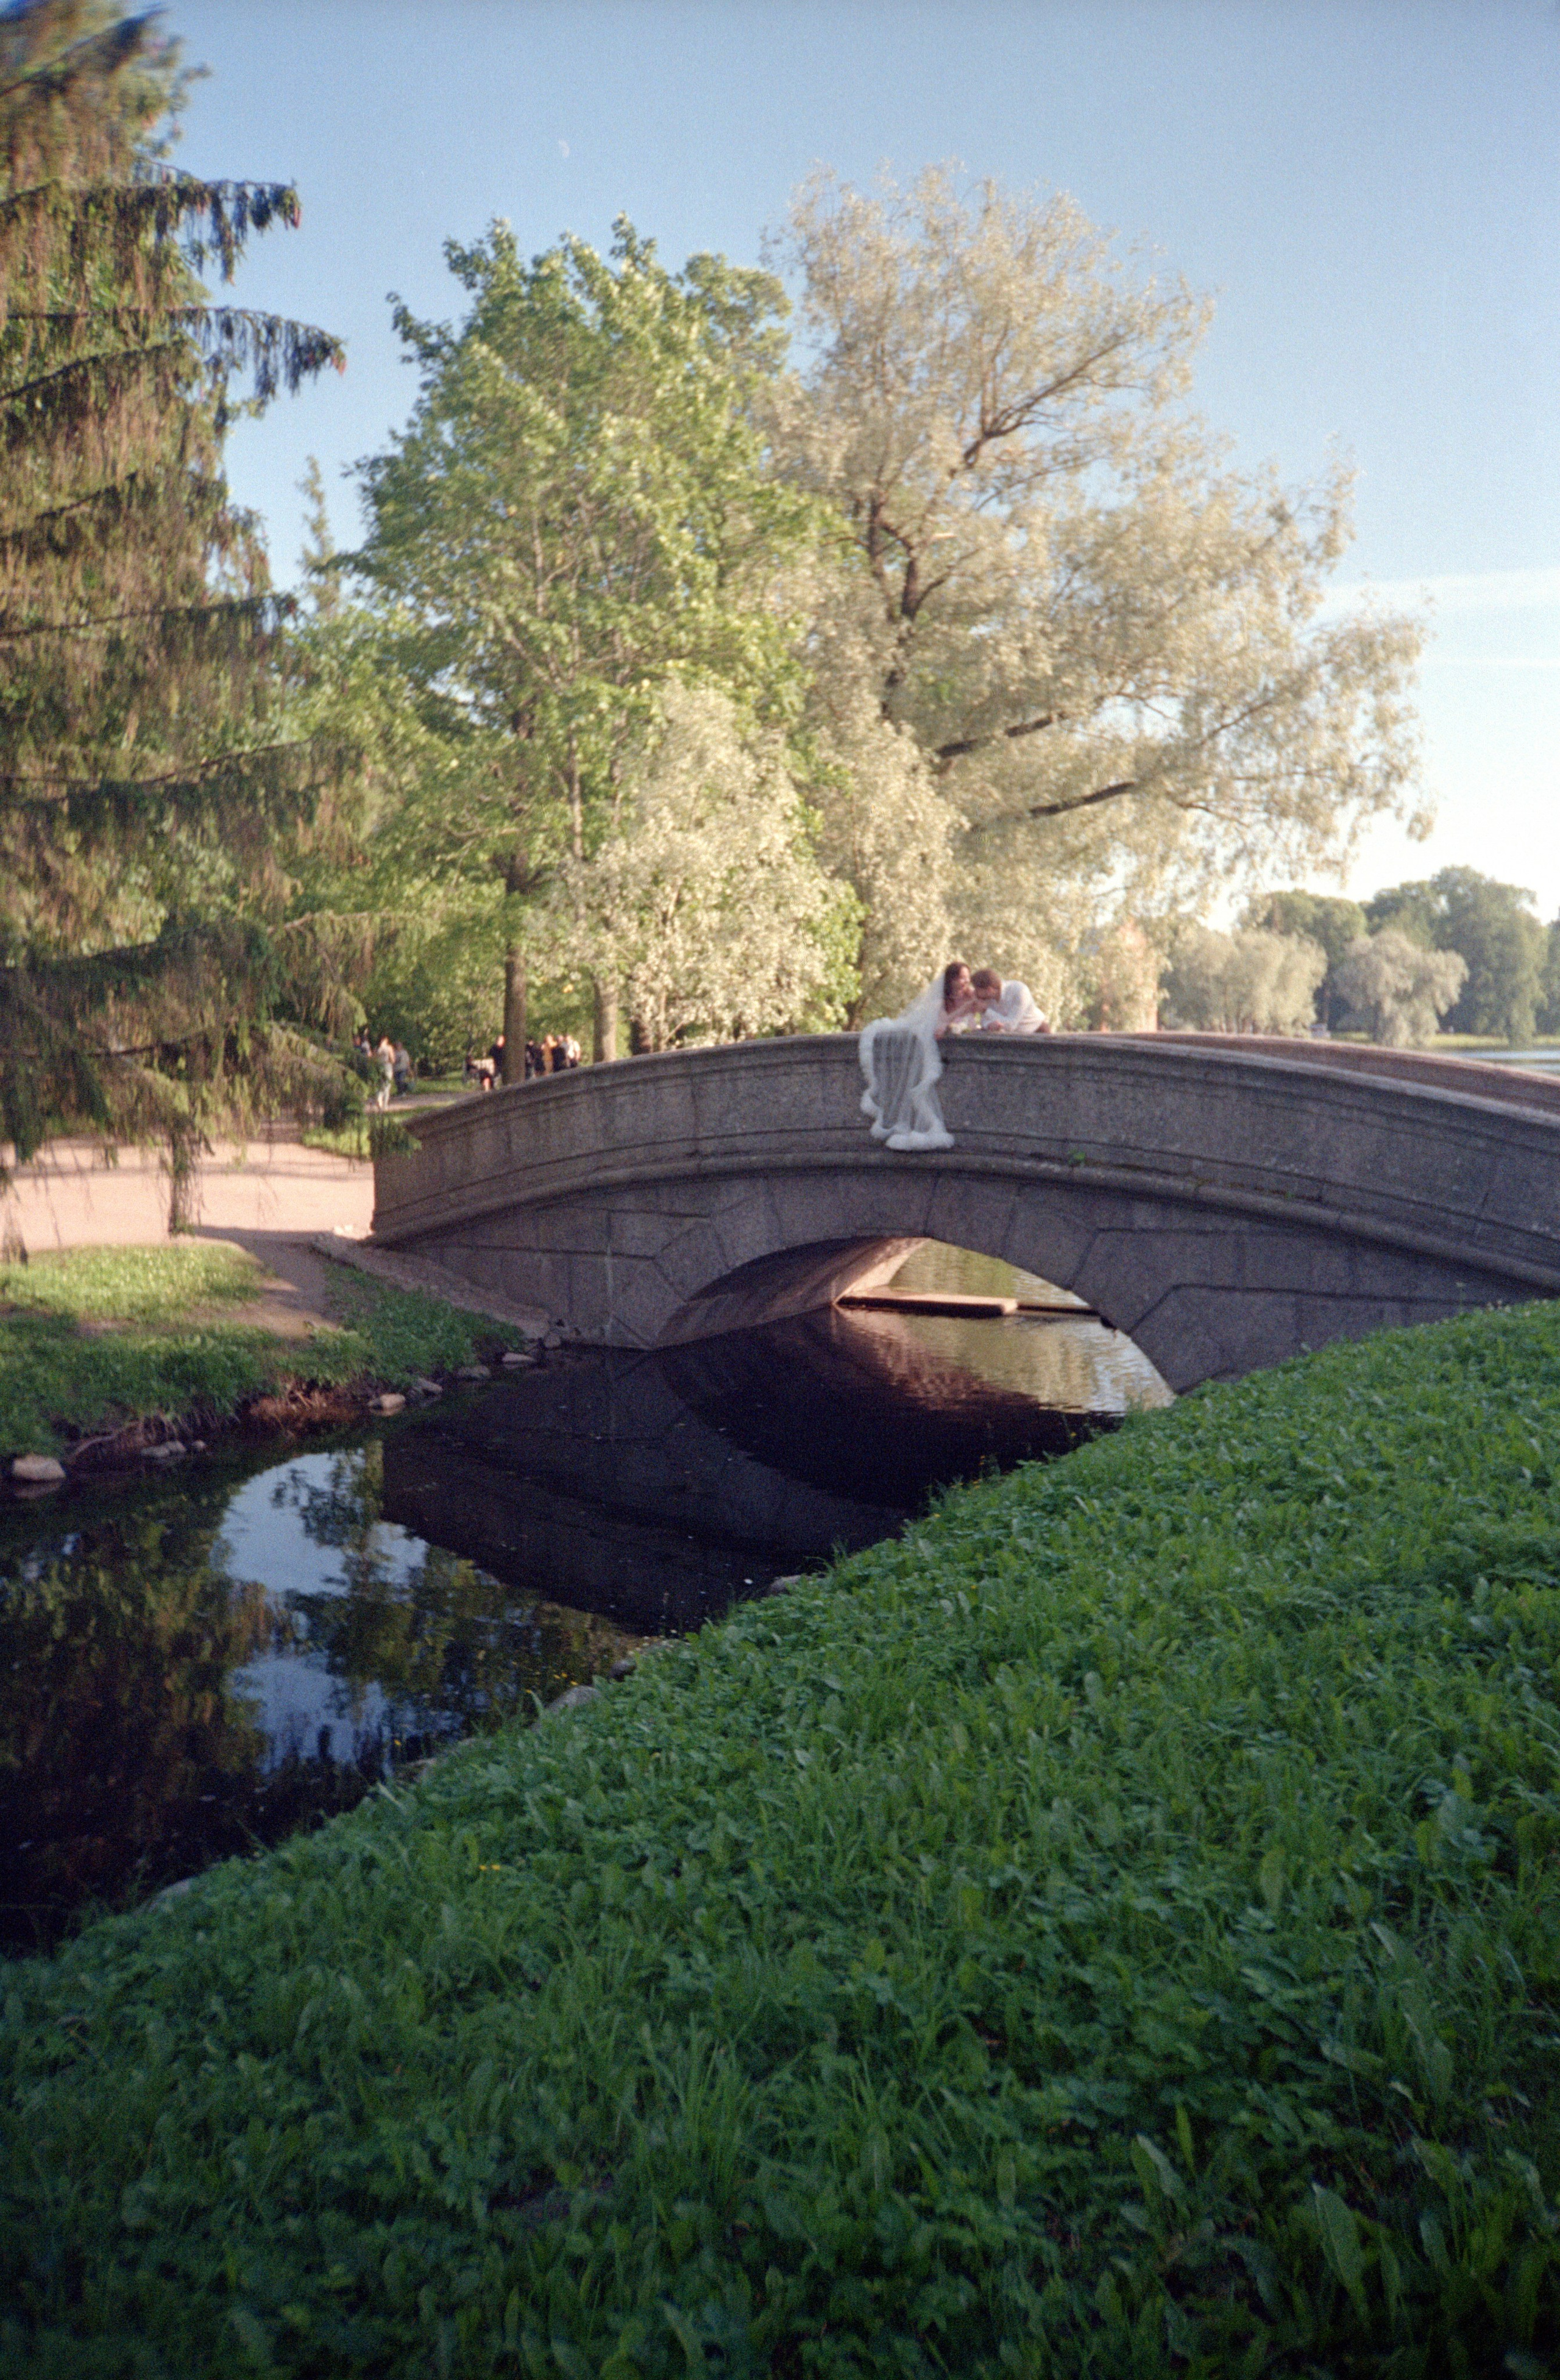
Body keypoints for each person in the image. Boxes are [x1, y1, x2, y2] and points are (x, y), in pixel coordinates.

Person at [858, 962, 976, 1151]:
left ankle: (930, 1127)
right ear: (951, 980)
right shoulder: (940, 1002)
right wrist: (963, 1012)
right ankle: (924, 1127)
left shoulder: (970, 998)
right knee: (923, 1084)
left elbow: (973, 1020)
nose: (966, 982)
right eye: (962, 977)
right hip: (927, 1044)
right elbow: (940, 1026)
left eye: (968, 977)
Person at [971, 968, 1051, 1034]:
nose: (975, 992)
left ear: (989, 990)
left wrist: (986, 1011)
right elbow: (984, 1021)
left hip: (1037, 1031)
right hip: (1014, 1038)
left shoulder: (1019, 990)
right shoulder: (986, 999)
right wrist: (989, 1025)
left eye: (977, 989)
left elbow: (1011, 1025)